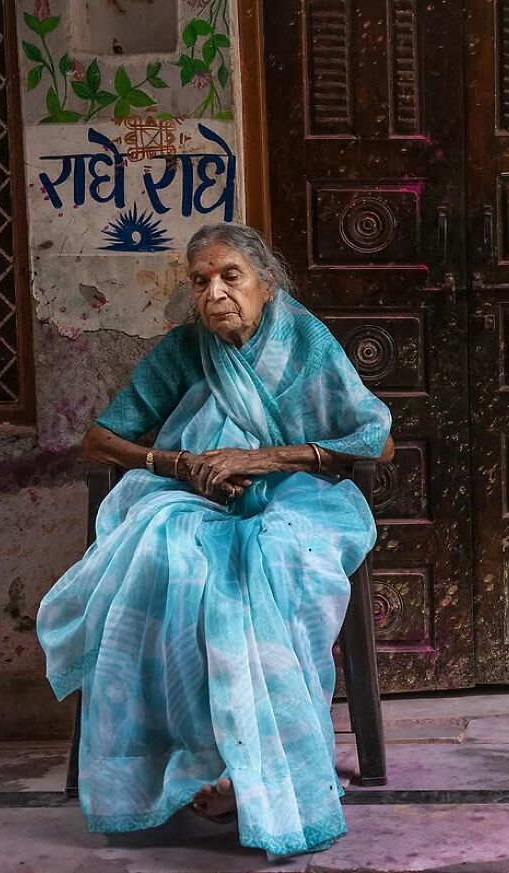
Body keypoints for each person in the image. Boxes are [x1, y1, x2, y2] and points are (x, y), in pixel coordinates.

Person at [36, 222, 393, 859]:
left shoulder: (305, 343)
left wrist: (266, 459)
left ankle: (259, 769)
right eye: (201, 281)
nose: (216, 292)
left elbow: (375, 441)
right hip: (194, 499)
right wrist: (177, 464)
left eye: (232, 276)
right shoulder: (184, 349)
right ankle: (201, 760)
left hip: (295, 499)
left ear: (266, 283)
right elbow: (100, 440)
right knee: (164, 556)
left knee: (279, 561)